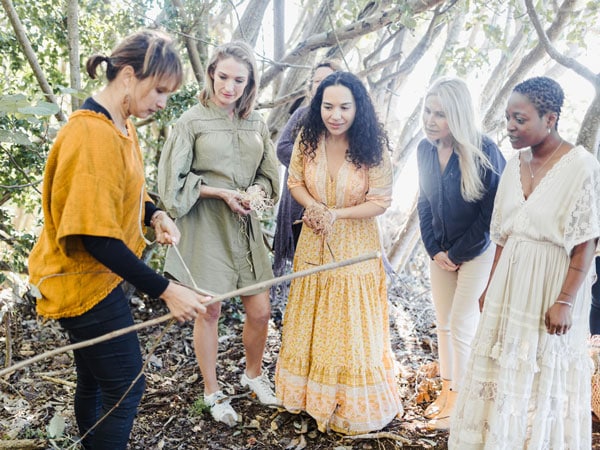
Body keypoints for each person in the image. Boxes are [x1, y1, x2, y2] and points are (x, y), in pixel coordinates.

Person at [27, 30, 209, 450]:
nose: (163, 102)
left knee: (95, 380)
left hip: (97, 278)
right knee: (127, 388)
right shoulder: (90, 135)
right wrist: (167, 290)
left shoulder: (119, 124)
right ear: (128, 76)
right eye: (159, 90)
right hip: (81, 280)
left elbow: (125, 191)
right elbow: (96, 237)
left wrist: (155, 213)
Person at [449, 76, 600, 449]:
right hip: (509, 282)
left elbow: (586, 243)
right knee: (502, 369)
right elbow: (502, 237)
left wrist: (564, 301)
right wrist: (489, 287)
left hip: (553, 282)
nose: (511, 128)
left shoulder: (582, 166)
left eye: (520, 119)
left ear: (550, 118)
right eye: (508, 119)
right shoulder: (513, 166)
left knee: (543, 370)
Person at [157, 41, 280, 426]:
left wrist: (255, 193)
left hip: (244, 227)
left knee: (260, 311)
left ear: (250, 83)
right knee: (209, 311)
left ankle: (253, 375)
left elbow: (269, 174)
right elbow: (170, 183)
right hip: (205, 224)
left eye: (238, 80)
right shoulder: (191, 121)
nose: (229, 87)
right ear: (211, 74)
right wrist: (218, 192)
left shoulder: (256, 123)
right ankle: (212, 392)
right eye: (223, 77)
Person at [275, 71, 403, 435]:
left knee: (345, 321)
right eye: (328, 106)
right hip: (313, 241)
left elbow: (381, 201)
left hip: (355, 247)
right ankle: (308, 397)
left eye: (344, 107)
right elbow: (295, 181)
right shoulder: (308, 138)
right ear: (319, 106)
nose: (335, 115)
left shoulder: (371, 146)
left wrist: (337, 214)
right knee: (313, 316)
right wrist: (314, 207)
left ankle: (347, 402)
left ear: (357, 108)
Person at [416, 77, 506, 430]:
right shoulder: (425, 150)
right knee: (443, 325)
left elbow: (491, 215)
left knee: (461, 324)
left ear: (458, 115)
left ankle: (464, 405)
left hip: (475, 252)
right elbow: (424, 201)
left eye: (440, 114)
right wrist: (435, 249)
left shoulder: (484, 150)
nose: (431, 119)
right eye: (427, 111)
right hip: (440, 252)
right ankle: (448, 394)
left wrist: (456, 253)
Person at [272, 59, 342, 277]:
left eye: (327, 81)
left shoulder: (343, 120)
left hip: (330, 210)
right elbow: (282, 148)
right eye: (317, 81)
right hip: (296, 206)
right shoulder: (302, 115)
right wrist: (314, 161)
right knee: (299, 270)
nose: (321, 86)